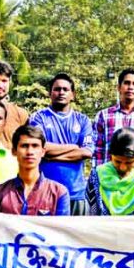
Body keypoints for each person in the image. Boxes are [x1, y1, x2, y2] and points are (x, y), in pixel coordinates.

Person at [29, 73, 93, 215]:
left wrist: (50, 156)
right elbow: (39, 148)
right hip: (45, 192)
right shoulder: (38, 117)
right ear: (50, 93)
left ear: (73, 94)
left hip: (76, 193)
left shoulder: (83, 120)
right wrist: (73, 147)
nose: (61, 92)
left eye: (65, 89)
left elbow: (86, 152)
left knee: (77, 236)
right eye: (57, 89)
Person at [0, 125, 70, 215]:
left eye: (35, 146)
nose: (30, 152)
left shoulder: (59, 193)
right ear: (14, 151)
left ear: (43, 152)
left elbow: (61, 228)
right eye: (24, 146)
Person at [92, 68, 134, 167]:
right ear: (119, 87)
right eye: (127, 83)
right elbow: (97, 150)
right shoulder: (103, 116)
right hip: (109, 177)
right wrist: (99, 176)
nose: (130, 87)